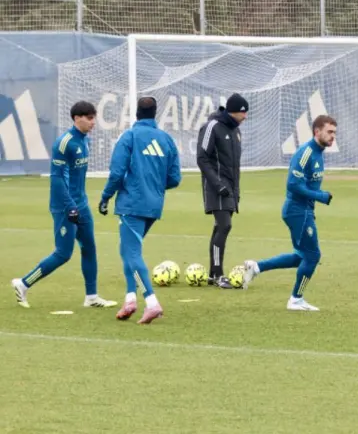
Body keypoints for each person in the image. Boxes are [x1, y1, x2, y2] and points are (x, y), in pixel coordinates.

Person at [11, 101, 116, 310]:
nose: (93, 122)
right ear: (77, 118)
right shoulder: (64, 143)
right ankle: (23, 284)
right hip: (64, 206)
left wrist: (80, 203)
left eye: (94, 118)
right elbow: (57, 179)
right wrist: (70, 206)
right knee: (63, 253)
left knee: (89, 248)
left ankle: (91, 297)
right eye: (89, 118)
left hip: (81, 204)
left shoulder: (85, 141)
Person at [99, 97, 181, 324]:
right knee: (126, 250)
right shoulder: (166, 139)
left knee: (132, 253)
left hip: (132, 203)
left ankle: (151, 303)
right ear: (155, 113)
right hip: (154, 205)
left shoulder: (130, 137)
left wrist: (106, 197)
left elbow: (117, 173)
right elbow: (175, 178)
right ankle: (130, 299)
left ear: (136, 113)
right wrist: (153, 186)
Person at [242, 116, 336, 311]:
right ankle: (296, 299)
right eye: (329, 132)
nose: (333, 136)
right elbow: (293, 184)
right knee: (313, 256)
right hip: (297, 211)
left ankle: (256, 267)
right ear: (317, 131)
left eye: (334, 132)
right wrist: (320, 196)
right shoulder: (306, 152)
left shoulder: (319, 153)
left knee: (302, 256)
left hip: (304, 211)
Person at [196, 93, 247, 288]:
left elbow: (235, 165)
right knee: (224, 225)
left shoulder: (236, 131)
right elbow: (202, 158)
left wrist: (236, 189)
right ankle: (218, 274)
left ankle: (212, 274)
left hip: (230, 187)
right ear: (232, 111)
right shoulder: (212, 127)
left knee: (221, 226)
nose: (245, 117)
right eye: (243, 113)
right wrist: (218, 184)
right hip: (216, 186)